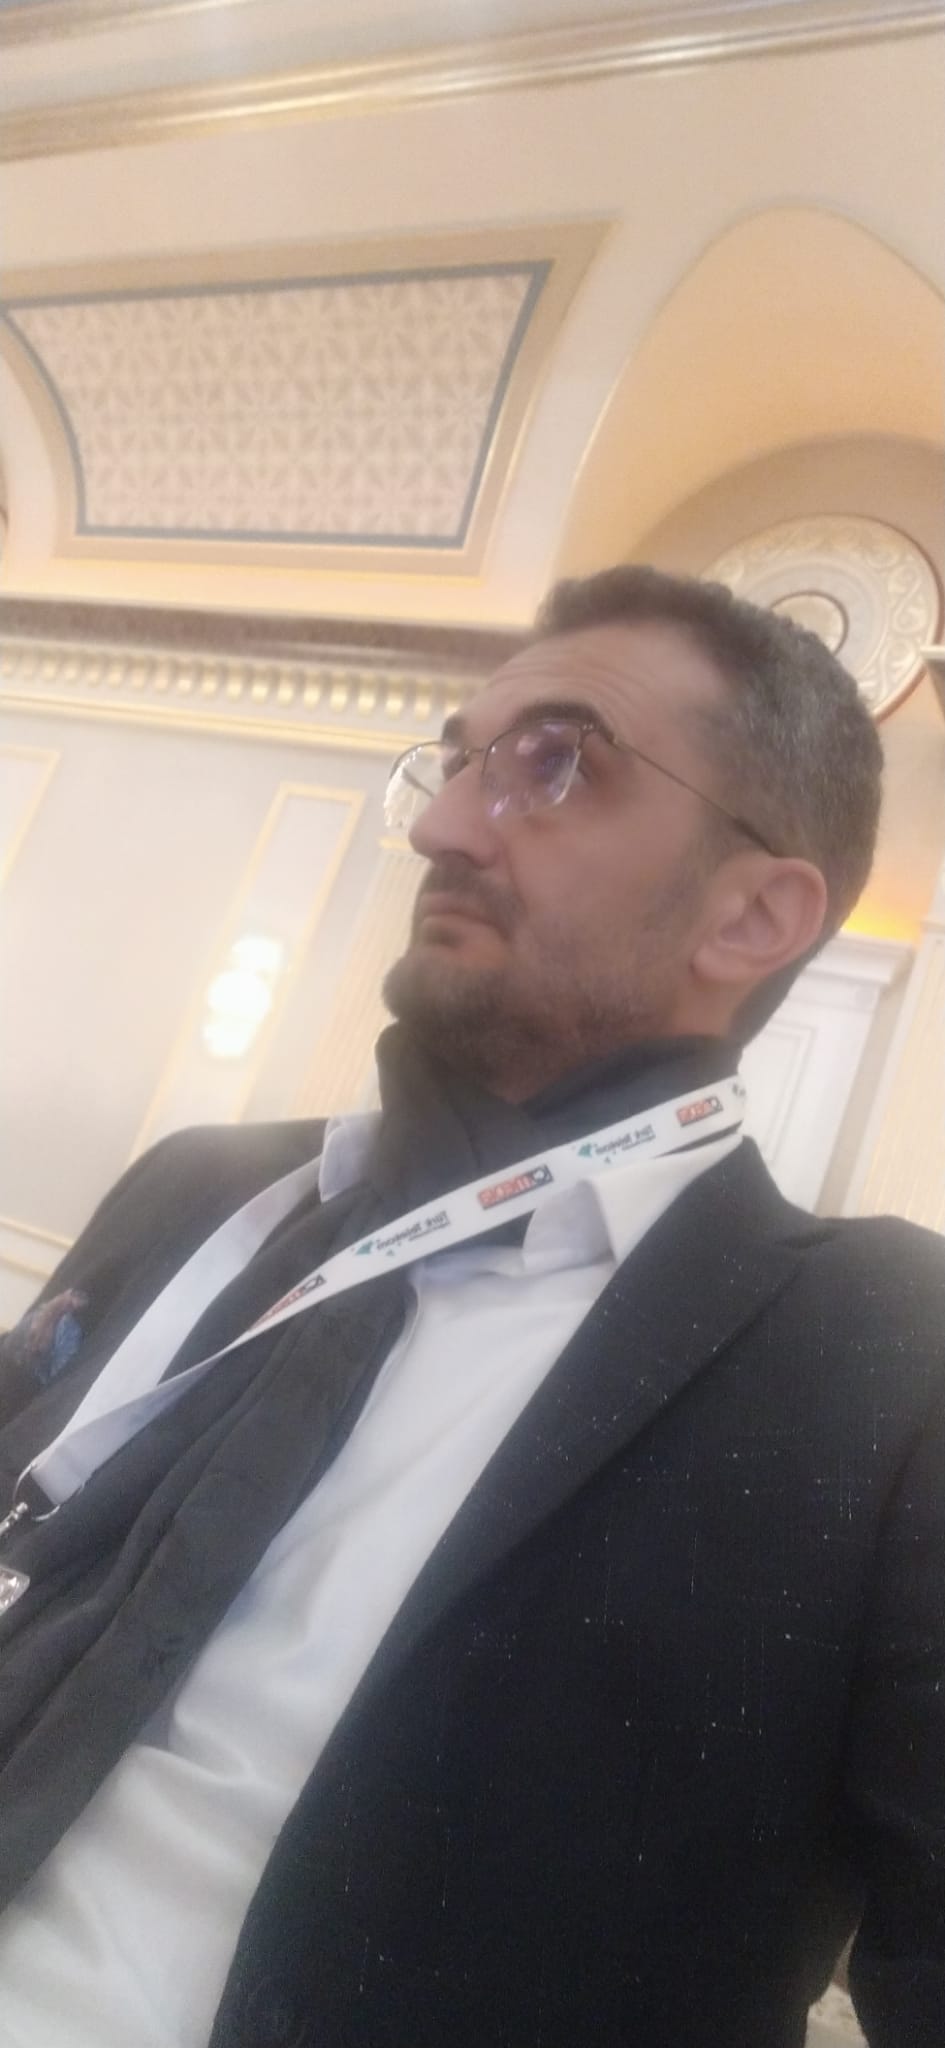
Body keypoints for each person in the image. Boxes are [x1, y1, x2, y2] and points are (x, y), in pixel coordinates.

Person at [0, 566, 941, 2048]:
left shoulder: (888, 1363)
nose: (442, 825)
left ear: (754, 914)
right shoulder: (206, 1190)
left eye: (556, 763)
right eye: (454, 763)